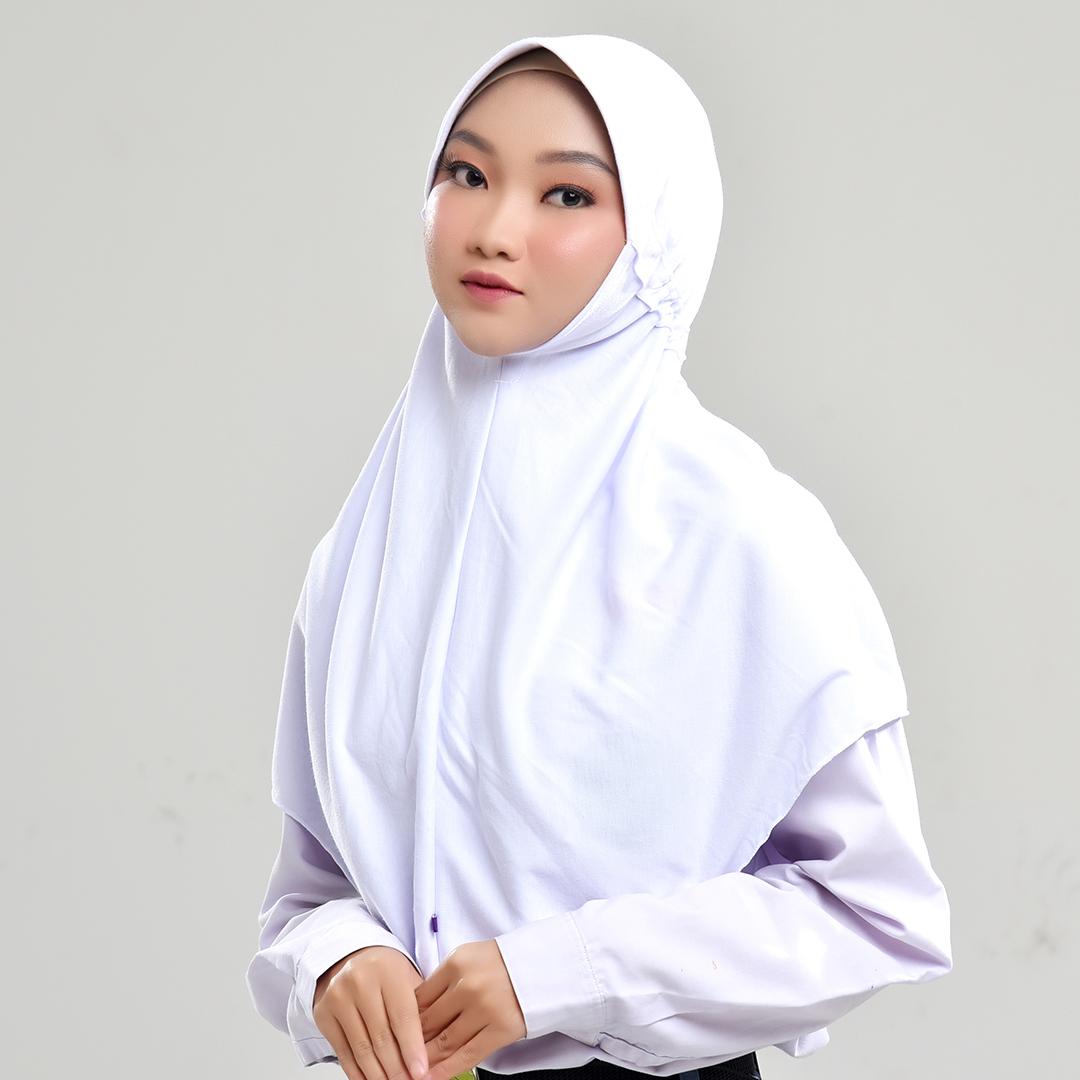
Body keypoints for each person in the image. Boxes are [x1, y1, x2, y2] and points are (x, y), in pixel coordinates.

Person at [244, 34, 953, 1080]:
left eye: (567, 195)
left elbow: (874, 911)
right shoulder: (364, 551)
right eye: (466, 175)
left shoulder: (744, 536)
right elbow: (310, 892)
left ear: (654, 233)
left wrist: (557, 974)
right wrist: (337, 958)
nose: (494, 230)